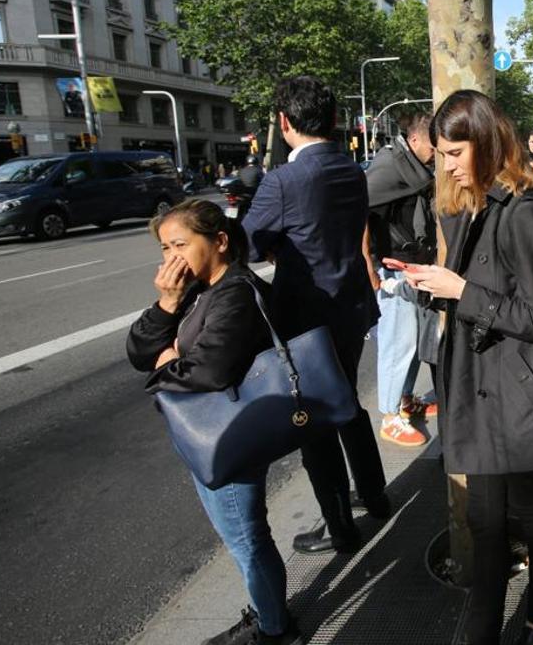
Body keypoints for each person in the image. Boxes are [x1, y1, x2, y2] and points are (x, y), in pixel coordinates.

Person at [403, 90, 533, 645]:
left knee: (529, 510)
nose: (445, 164)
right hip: (477, 385)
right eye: (442, 154)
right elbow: (474, 290)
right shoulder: (471, 205)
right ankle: (482, 625)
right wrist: (432, 284)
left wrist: (461, 290)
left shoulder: (524, 211)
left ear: (486, 142)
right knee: (483, 519)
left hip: (517, 390)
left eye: (454, 153)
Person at [126, 200, 301, 645]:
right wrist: (166, 305)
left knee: (247, 539)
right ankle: (269, 615)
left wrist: (167, 360)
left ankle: (275, 629)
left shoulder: (236, 292)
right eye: (165, 248)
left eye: (181, 244)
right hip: (209, 433)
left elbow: (209, 371)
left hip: (229, 438)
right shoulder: (196, 287)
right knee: (244, 536)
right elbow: (138, 349)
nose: (171, 259)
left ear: (219, 241)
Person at [242, 76, 388, 555]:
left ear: (284, 122)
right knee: (346, 403)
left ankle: (340, 527)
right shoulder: (350, 167)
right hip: (349, 308)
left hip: (307, 319)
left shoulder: (283, 179)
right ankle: (374, 494)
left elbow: (246, 244)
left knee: (314, 420)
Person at [365, 112, 439, 448]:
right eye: (433, 145)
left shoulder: (412, 167)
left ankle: (405, 400)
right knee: (399, 341)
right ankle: (389, 415)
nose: (437, 152)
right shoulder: (389, 166)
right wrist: (367, 263)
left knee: (412, 341)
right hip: (393, 264)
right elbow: (359, 212)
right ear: (415, 140)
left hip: (411, 261)